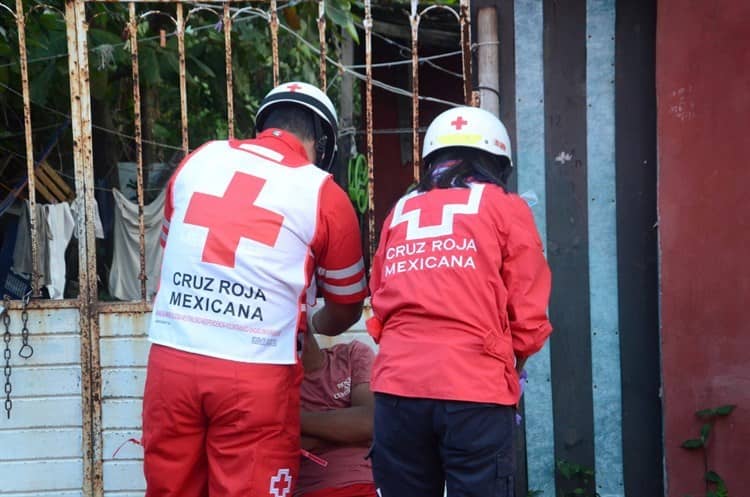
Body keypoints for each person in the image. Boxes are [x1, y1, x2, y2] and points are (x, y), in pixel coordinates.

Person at [142, 81, 367, 497]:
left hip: (171, 361)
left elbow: (172, 251)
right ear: (321, 141)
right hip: (254, 373)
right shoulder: (322, 192)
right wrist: (309, 323)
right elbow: (348, 305)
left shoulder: (198, 160)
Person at [366, 106, 553, 497]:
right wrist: (508, 364)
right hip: (475, 393)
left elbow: (380, 304)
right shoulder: (505, 206)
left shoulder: (398, 212)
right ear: (497, 164)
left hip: (398, 394)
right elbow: (529, 313)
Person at [295, 328, 377, 497]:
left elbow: (368, 423)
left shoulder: (352, 353)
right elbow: (288, 445)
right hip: (313, 489)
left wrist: (294, 420)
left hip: (371, 483)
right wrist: (344, 424)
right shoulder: (275, 384)